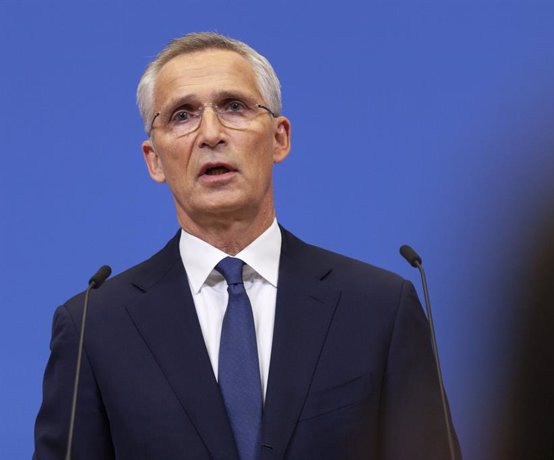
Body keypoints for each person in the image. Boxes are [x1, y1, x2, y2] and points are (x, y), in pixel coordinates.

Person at [33, 32, 460, 460]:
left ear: (279, 138)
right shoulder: (95, 326)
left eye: (233, 107)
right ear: (154, 160)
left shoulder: (379, 308)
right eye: (183, 115)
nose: (211, 134)